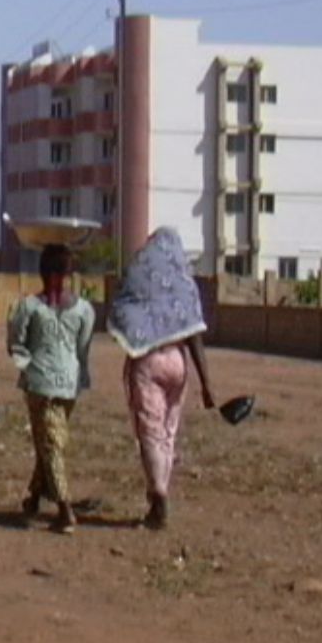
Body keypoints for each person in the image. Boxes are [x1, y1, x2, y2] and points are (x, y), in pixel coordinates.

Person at [109, 227, 219, 530]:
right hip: (178, 363)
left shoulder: (139, 275)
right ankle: (162, 489)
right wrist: (207, 385)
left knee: (150, 430)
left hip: (148, 359)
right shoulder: (184, 285)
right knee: (169, 431)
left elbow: (121, 306)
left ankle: (158, 492)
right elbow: (194, 334)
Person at [7, 243, 96, 533]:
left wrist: (29, 367)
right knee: (49, 441)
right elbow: (82, 350)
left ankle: (65, 510)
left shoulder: (31, 308)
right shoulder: (80, 310)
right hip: (63, 384)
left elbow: (16, 344)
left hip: (46, 384)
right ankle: (34, 499)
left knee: (50, 444)